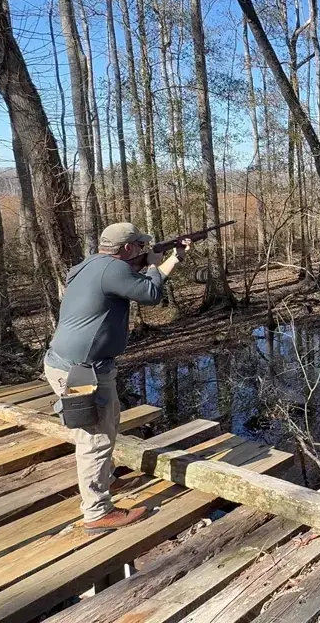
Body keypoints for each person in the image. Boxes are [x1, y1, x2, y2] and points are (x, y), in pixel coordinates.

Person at [44, 222, 190, 530]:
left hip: (73, 364)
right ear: (127, 249)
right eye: (138, 245)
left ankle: (104, 479)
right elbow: (150, 294)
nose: (142, 249)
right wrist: (154, 264)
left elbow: (136, 284)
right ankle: (97, 511)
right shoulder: (113, 270)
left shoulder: (92, 265)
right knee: (95, 439)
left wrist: (172, 258)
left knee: (106, 423)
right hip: (81, 371)